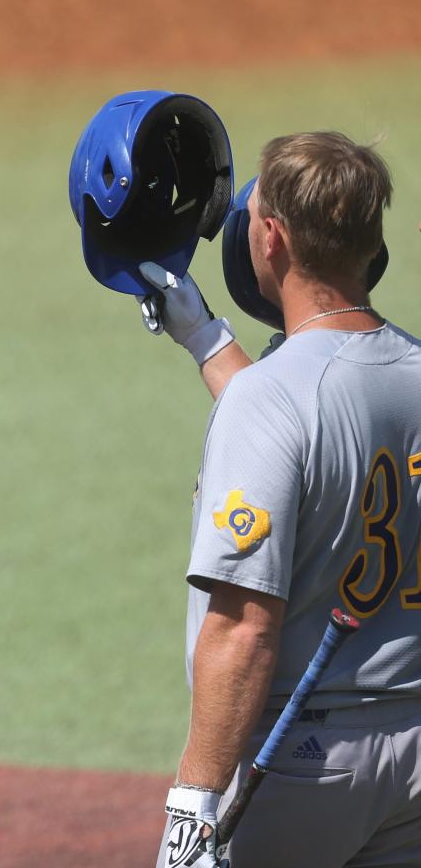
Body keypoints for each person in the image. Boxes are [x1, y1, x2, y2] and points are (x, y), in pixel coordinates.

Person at [141, 131, 421, 868]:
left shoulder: (271, 402)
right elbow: (325, 428)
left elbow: (243, 629)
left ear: (271, 237)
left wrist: (192, 803)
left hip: (302, 765)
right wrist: (204, 336)